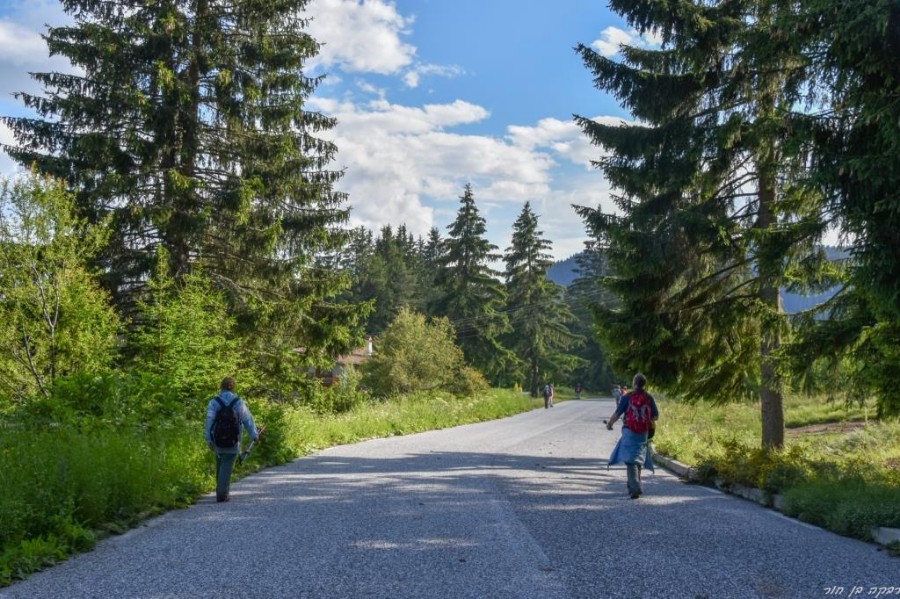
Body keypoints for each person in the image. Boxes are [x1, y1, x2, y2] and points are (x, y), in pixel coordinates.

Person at [205, 376, 260, 503]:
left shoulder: (214, 402)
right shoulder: (238, 402)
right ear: (234, 387)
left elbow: (209, 421)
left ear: (221, 387)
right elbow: (247, 419)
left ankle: (221, 489)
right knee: (227, 464)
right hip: (234, 440)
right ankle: (222, 494)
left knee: (220, 461)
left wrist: (208, 439)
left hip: (217, 439)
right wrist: (254, 434)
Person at [605, 373, 659, 499]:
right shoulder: (649, 397)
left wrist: (610, 424)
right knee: (638, 458)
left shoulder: (628, 396)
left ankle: (635, 488)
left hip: (629, 430)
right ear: (644, 384)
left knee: (630, 460)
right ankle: (634, 484)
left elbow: (617, 413)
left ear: (634, 383)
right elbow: (655, 416)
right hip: (643, 432)